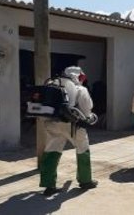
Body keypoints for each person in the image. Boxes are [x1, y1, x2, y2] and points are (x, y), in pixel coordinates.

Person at [40, 66, 98, 196]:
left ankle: (49, 185)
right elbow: (87, 110)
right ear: (78, 77)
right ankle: (85, 181)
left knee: (51, 151)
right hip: (73, 126)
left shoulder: (52, 85)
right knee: (83, 149)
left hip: (52, 123)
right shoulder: (80, 89)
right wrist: (89, 118)